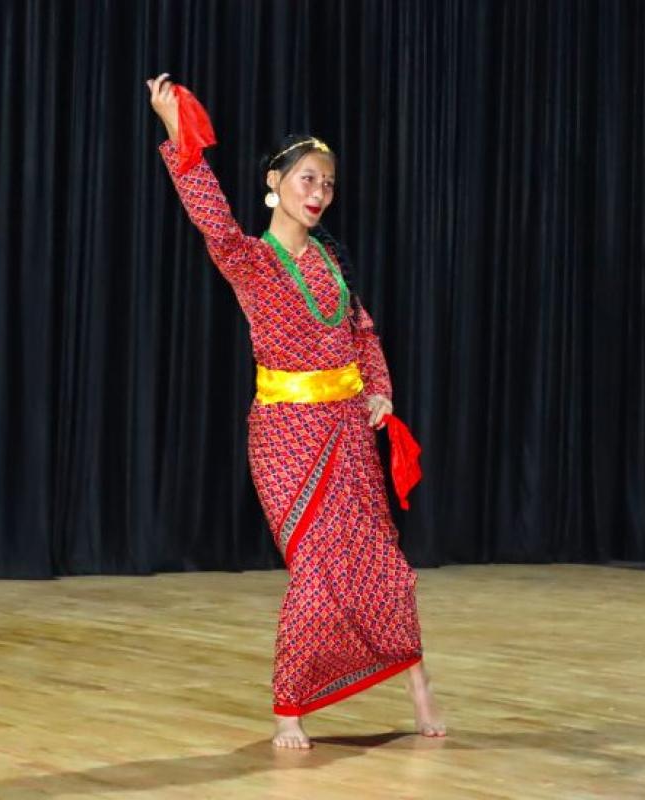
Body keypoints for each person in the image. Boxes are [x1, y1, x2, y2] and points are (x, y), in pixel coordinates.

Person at [146, 73, 444, 749]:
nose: (319, 193)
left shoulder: (331, 264)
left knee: (382, 564)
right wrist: (177, 135)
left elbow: (362, 335)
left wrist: (380, 391)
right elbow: (212, 221)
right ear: (274, 184)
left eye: (328, 184)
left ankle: (420, 688)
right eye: (308, 179)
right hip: (287, 436)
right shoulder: (253, 261)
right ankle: (290, 708)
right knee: (316, 569)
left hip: (347, 428)